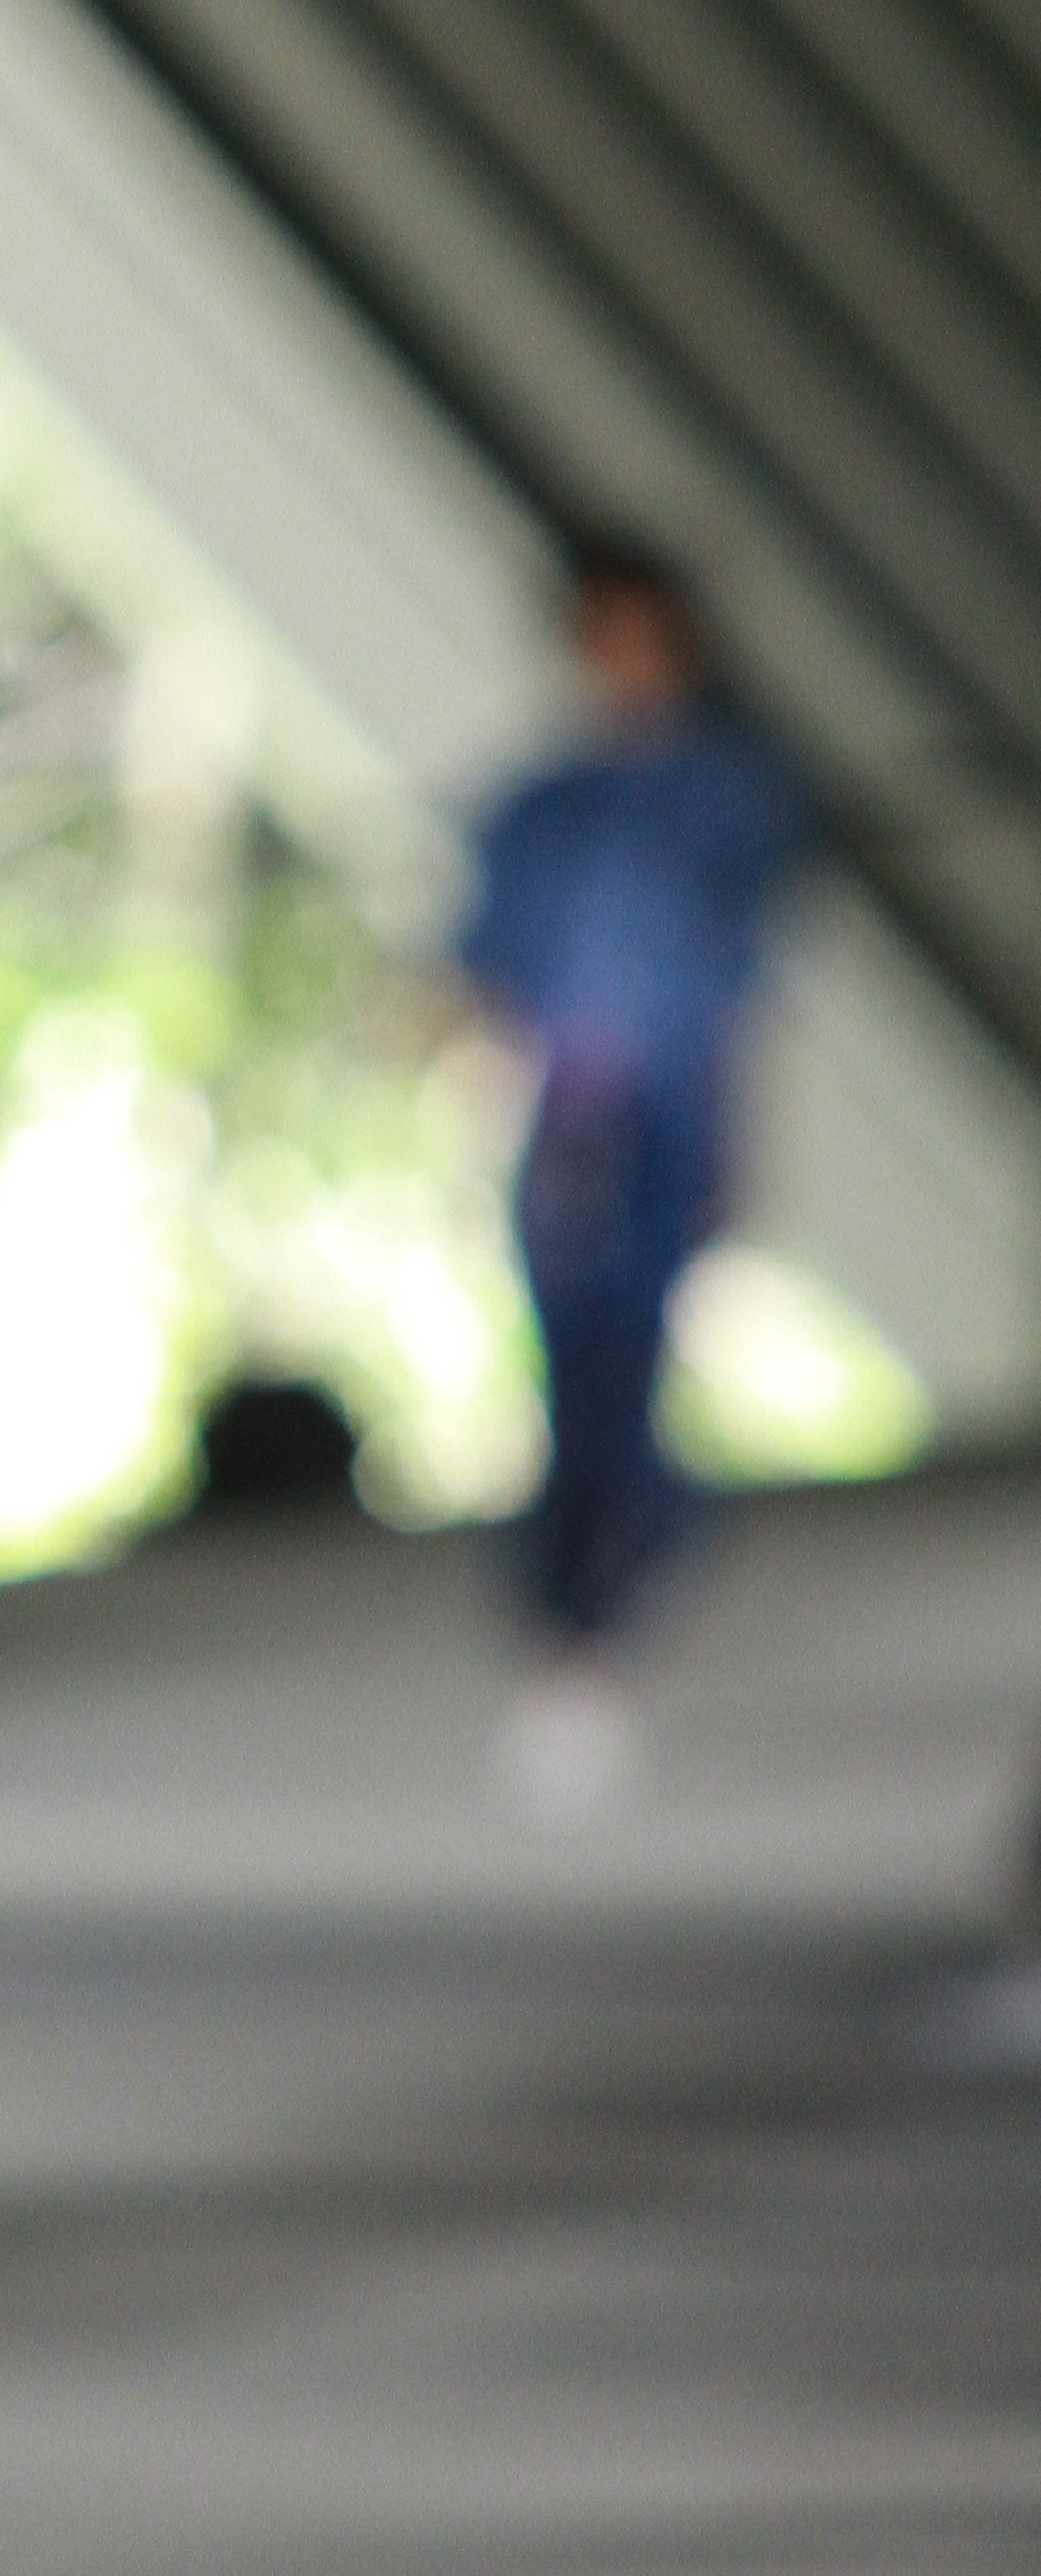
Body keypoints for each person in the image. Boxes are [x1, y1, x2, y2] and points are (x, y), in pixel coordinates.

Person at [460, 535, 807, 1809]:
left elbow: (740, 978)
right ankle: (577, 1600)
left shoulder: (728, 793)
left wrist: (731, 1132)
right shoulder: (545, 803)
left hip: (668, 1105)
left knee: (633, 1349)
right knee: (571, 1352)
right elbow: (489, 966)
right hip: (569, 1108)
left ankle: (606, 1591)